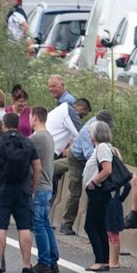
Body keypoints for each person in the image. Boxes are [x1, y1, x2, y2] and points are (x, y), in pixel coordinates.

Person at [0, 111, 41, 273]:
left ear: (5, 125)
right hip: (23, 191)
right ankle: (26, 267)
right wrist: (32, 189)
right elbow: (37, 168)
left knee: (0, 228)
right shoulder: (28, 143)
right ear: (19, 124)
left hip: (1, 190)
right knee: (24, 228)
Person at [81, 112, 125, 271]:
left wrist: (93, 182)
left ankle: (100, 260)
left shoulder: (102, 148)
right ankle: (104, 260)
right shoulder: (102, 148)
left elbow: (107, 170)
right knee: (99, 225)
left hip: (98, 191)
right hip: (97, 191)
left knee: (90, 225)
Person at [51, 97, 96, 235]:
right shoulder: (75, 117)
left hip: (71, 156)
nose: (84, 116)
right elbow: (81, 138)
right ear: (82, 109)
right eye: (85, 113)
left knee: (51, 168)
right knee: (74, 191)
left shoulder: (65, 111)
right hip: (76, 159)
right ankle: (67, 224)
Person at [27, 106, 60, 273]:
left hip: (39, 186)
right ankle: (53, 259)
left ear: (35, 118)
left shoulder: (36, 138)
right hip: (48, 185)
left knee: (38, 224)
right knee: (45, 223)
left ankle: (44, 261)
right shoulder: (48, 136)